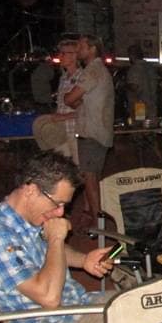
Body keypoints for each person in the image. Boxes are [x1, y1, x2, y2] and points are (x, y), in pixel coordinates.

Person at [0, 151, 114, 323]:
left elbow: (50, 254)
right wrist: (56, 238)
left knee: (146, 305)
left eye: (65, 206)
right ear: (31, 190)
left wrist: (84, 260)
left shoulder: (29, 219)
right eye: (57, 203)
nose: (61, 212)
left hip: (78, 307)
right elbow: (49, 298)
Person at [64, 34, 114, 221]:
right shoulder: (99, 70)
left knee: (90, 178)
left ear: (92, 49)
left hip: (92, 131)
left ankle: (98, 222)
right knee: (93, 177)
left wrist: (67, 98)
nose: (78, 49)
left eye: (81, 46)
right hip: (99, 129)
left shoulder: (92, 72)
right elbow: (83, 102)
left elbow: (70, 99)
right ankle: (97, 216)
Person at [50, 39, 82, 162]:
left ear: (74, 56)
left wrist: (63, 117)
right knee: (62, 170)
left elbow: (88, 110)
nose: (60, 57)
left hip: (76, 131)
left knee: (80, 171)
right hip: (62, 132)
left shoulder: (82, 78)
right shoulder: (63, 78)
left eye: (64, 53)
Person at [125, 44, 158, 121]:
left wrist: (125, 86)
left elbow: (134, 87)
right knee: (150, 129)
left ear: (132, 55)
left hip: (140, 106)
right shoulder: (150, 67)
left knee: (139, 129)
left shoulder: (135, 69)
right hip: (152, 104)